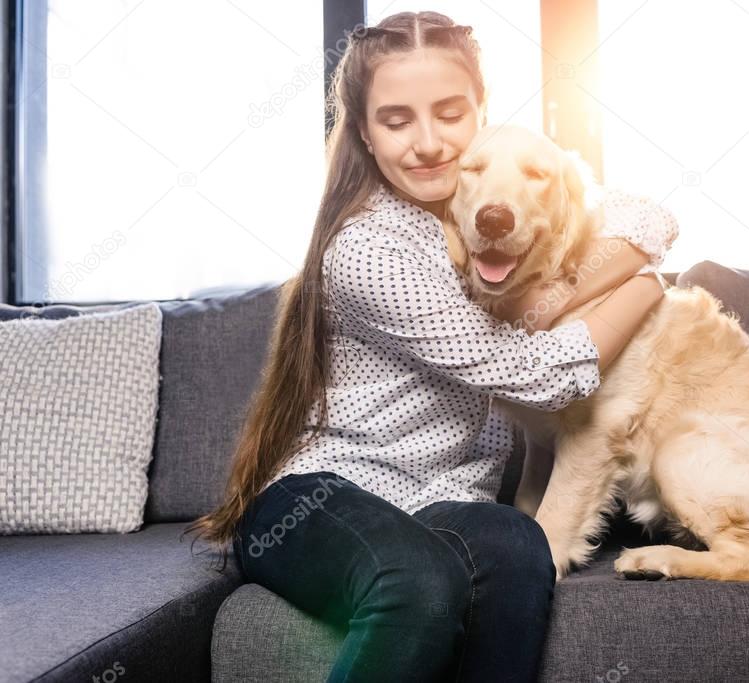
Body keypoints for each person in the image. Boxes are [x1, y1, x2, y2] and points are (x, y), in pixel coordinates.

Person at [185, 10, 677, 683]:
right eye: (396, 120)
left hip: (440, 500)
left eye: (450, 112)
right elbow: (536, 378)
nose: (427, 143)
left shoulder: (486, 201)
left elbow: (645, 215)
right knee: (417, 580)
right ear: (362, 130)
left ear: (481, 109)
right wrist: (642, 286)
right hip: (319, 499)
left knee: (516, 543)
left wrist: (562, 291)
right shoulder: (369, 248)